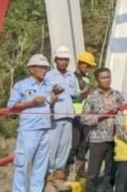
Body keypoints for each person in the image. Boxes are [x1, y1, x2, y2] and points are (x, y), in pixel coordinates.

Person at [8, 54, 59, 192]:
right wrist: (31, 103)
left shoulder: (48, 85)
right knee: (23, 165)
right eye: (41, 68)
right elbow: (12, 106)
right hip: (29, 130)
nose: (44, 71)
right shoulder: (21, 85)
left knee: (40, 166)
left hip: (45, 128)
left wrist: (54, 97)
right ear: (32, 69)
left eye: (45, 68)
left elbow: (49, 101)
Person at [82, 67, 124, 192]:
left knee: (110, 172)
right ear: (97, 80)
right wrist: (104, 115)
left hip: (115, 137)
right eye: (103, 78)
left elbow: (125, 113)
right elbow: (84, 119)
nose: (107, 80)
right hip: (98, 137)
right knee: (93, 173)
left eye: (108, 77)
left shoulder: (118, 95)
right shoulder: (92, 97)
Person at [45, 46, 80, 190]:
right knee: (52, 147)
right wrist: (53, 91)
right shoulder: (48, 76)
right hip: (54, 116)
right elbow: (44, 93)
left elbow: (75, 93)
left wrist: (81, 92)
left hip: (68, 115)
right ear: (55, 60)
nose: (64, 62)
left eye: (66, 59)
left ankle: (58, 177)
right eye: (61, 59)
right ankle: (47, 178)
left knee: (64, 147)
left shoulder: (71, 76)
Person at [68, 51, 96, 181]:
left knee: (85, 143)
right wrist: (81, 93)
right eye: (87, 66)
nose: (89, 69)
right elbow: (69, 95)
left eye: (90, 66)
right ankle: (67, 170)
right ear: (80, 64)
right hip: (75, 114)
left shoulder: (87, 78)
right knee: (74, 143)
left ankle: (80, 170)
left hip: (86, 114)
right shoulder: (71, 78)